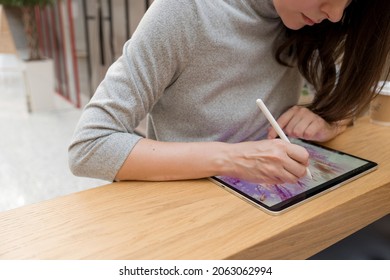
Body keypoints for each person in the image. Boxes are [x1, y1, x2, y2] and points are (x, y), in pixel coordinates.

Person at [68, 0, 390, 184]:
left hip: (270, 207)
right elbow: (90, 147)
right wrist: (235, 158)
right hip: (188, 210)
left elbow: (353, 98)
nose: (334, 13)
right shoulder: (184, 11)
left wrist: (331, 119)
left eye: (346, 1)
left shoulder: (312, 19)